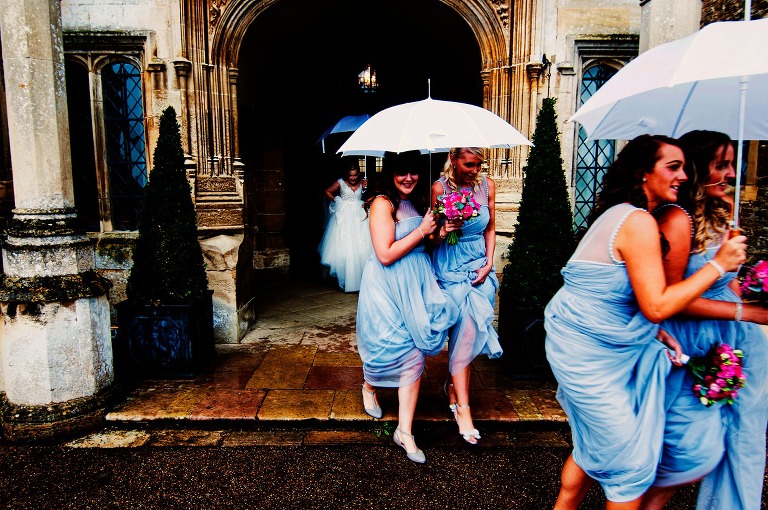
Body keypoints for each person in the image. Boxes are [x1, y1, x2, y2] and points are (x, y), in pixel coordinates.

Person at [543, 135, 748, 509]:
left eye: (685, 167)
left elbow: (641, 300)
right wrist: (721, 264)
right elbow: (656, 305)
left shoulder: (632, 216)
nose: (684, 176)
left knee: (593, 446)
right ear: (642, 173)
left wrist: (654, 333)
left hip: (594, 340)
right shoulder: (636, 220)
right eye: (673, 167)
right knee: (630, 463)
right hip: (589, 350)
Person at [643, 130, 768, 510]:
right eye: (722, 164)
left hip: (731, 342)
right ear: (699, 168)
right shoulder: (674, 220)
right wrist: (746, 310)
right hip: (687, 342)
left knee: (738, 439)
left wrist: (749, 283)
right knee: (689, 451)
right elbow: (668, 299)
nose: (731, 173)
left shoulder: (724, 215)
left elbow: (724, 286)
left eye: (733, 163)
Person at [356, 151, 459, 464]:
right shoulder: (381, 203)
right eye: (402, 172)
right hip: (386, 286)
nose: (409, 178)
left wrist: (441, 232)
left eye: (413, 172)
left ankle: (405, 431)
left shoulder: (419, 201)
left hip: (415, 282)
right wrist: (421, 231)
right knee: (388, 345)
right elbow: (385, 254)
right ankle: (369, 386)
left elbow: (425, 245)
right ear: (391, 173)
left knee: (414, 350)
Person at [430, 147, 503, 445]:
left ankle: (459, 398)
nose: (475, 170)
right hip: (449, 263)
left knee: (471, 330)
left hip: (479, 266)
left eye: (479, 164)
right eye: (469, 164)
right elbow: (431, 236)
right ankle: (460, 400)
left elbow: (491, 226)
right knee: (459, 328)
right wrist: (445, 229)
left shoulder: (488, 186)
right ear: (454, 159)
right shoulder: (439, 188)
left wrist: (489, 261)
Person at [317, 160, 372, 292]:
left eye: (355, 175)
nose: (353, 178)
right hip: (344, 215)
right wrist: (337, 200)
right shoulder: (340, 182)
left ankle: (361, 278)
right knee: (345, 244)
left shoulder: (362, 182)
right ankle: (346, 277)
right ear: (346, 175)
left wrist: (365, 187)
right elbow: (328, 191)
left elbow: (366, 196)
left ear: (359, 174)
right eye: (350, 175)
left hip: (359, 214)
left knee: (362, 244)